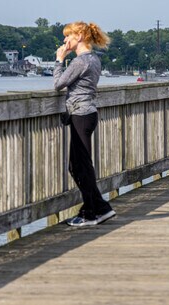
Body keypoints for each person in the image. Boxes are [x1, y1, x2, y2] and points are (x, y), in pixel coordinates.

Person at [54, 21, 116, 227]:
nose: (64, 40)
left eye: (68, 36)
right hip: (87, 114)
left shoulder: (80, 62)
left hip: (81, 115)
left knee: (81, 166)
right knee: (78, 165)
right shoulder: (94, 59)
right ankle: (96, 208)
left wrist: (59, 60)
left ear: (79, 36)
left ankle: (93, 212)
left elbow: (58, 84)